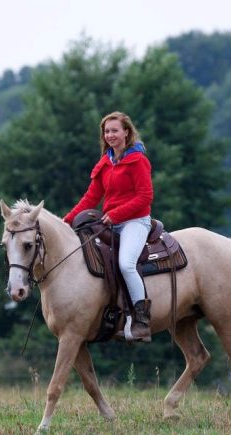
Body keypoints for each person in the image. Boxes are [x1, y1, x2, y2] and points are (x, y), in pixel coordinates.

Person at [63, 111, 154, 342]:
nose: (110, 135)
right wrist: (66, 222)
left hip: (135, 221)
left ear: (126, 132)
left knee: (126, 264)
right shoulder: (105, 163)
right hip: (110, 222)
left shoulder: (138, 160)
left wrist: (115, 214)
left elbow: (145, 197)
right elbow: (90, 198)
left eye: (115, 130)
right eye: (107, 131)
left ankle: (141, 321)